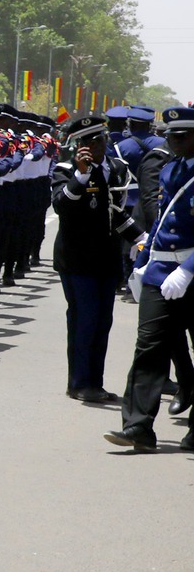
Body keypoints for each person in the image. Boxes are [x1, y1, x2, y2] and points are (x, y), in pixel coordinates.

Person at [106, 105, 194, 451]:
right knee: (149, 347)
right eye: (170, 135)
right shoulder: (171, 168)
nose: (173, 141)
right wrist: (143, 260)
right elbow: (161, 219)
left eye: (181, 136)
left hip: (190, 272)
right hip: (161, 271)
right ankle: (138, 426)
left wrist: (188, 271)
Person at [52, 115, 132, 405]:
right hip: (76, 258)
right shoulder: (65, 170)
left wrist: (140, 240)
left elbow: (118, 211)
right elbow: (61, 205)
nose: (96, 146)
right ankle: (78, 383)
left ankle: (95, 382)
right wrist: (81, 176)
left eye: (99, 139)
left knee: (102, 321)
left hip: (107, 256)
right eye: (88, 141)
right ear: (78, 146)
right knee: (83, 319)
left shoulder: (117, 168)